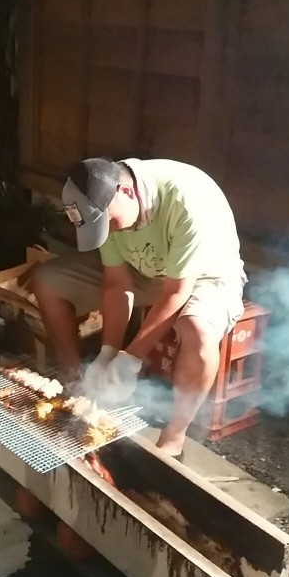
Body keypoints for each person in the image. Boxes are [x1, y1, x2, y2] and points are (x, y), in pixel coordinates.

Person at [29, 157, 246, 458]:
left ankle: (174, 437)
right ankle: (76, 382)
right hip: (147, 270)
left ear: (127, 192)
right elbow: (117, 284)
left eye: (109, 224)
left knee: (196, 333)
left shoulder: (186, 202)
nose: (110, 232)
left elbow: (177, 290)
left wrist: (131, 358)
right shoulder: (104, 201)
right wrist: (108, 352)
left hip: (205, 276)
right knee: (47, 281)